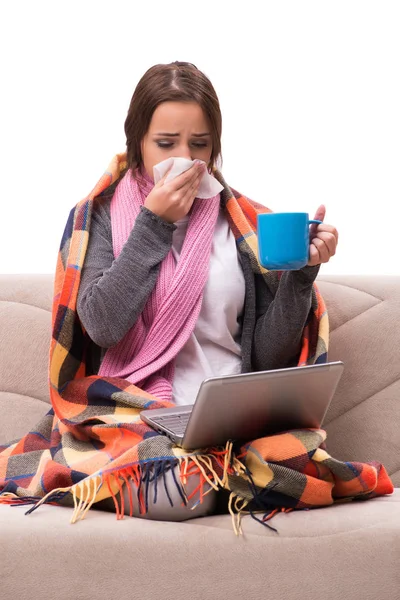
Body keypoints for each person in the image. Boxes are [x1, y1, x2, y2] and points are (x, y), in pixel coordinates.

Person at [76, 61, 339, 520]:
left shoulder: (240, 222)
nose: (185, 158)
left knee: (305, 473)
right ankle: (215, 480)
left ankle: (225, 475)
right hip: (141, 413)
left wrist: (300, 276)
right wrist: (153, 225)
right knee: (186, 490)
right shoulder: (99, 215)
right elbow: (101, 325)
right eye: (165, 144)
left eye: (199, 145)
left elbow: (268, 356)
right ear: (136, 143)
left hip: (232, 418)